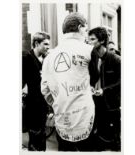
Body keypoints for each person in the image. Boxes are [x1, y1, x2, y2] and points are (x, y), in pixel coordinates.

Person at [41, 12, 96, 151]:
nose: (86, 33)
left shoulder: (49, 56)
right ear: (79, 27)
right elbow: (95, 79)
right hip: (85, 118)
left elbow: (45, 89)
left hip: (61, 118)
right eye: (85, 29)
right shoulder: (89, 50)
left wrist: (58, 103)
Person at [88, 27, 121, 151]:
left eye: (92, 39)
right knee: (99, 140)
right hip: (96, 104)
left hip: (111, 106)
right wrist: (91, 86)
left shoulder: (116, 59)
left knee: (114, 142)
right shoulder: (92, 58)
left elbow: (121, 82)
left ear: (101, 41)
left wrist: (104, 90)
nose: (88, 41)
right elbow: (91, 77)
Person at [22, 32, 50, 151]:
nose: (48, 47)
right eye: (45, 44)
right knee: (35, 136)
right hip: (32, 105)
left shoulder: (44, 59)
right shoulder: (26, 57)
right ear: (37, 43)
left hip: (42, 104)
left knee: (42, 136)